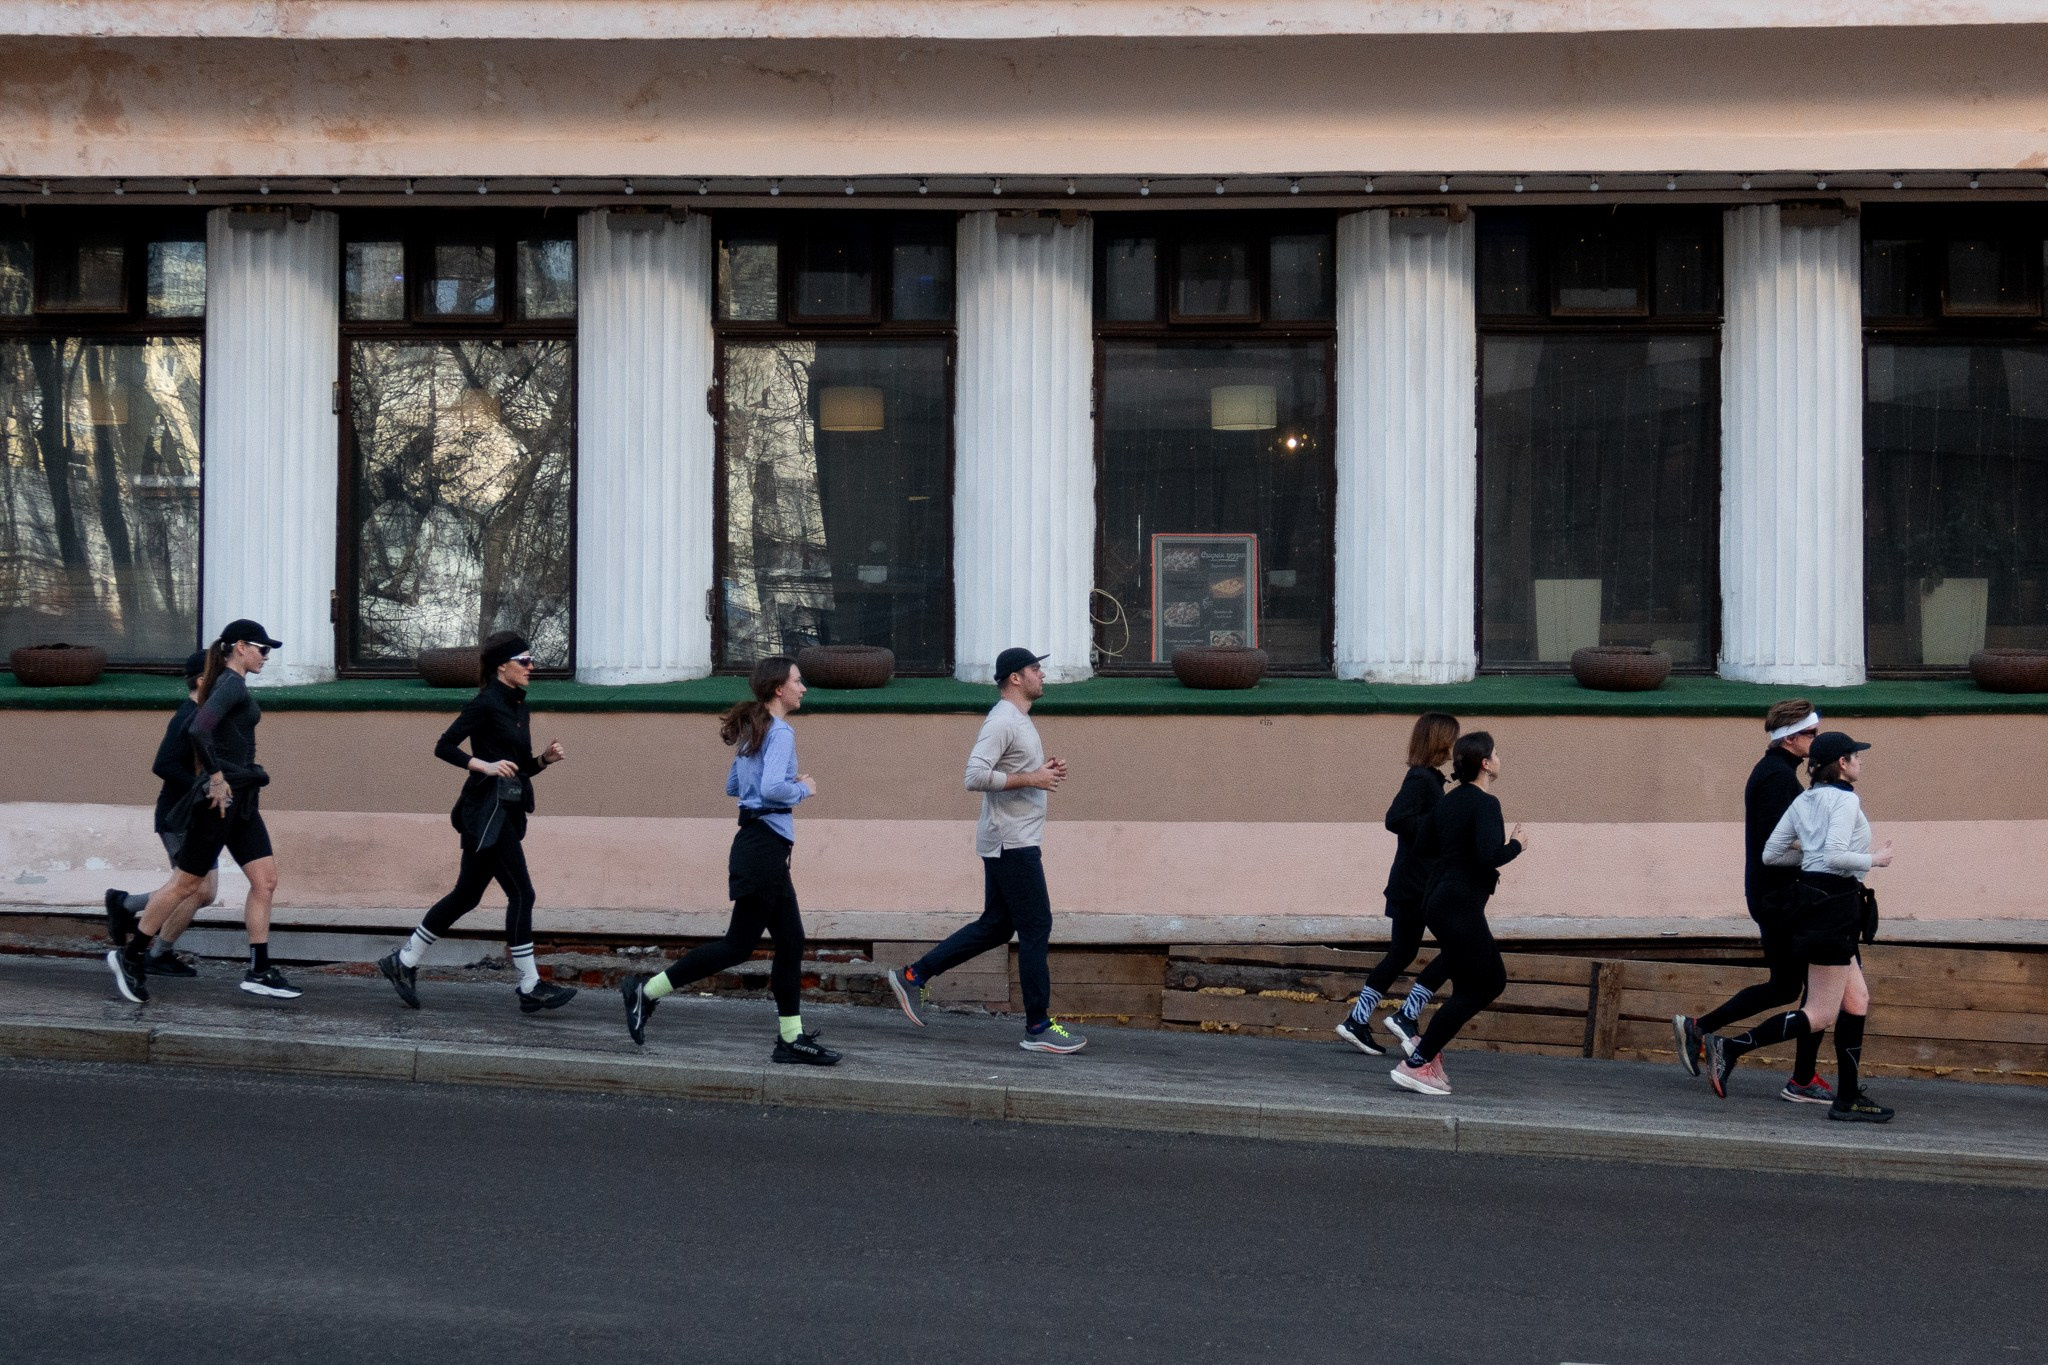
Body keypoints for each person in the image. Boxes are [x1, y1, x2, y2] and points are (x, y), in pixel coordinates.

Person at [620, 656, 839, 1065]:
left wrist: (775, 784)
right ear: (779, 689)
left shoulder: (756, 729)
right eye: (797, 681)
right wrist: (803, 788)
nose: (803, 687)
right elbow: (771, 787)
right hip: (764, 848)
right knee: (740, 945)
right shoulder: (781, 732)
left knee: (790, 941)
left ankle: (790, 1038)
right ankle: (645, 991)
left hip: (759, 846)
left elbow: (734, 785)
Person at [883, 647, 1085, 1054]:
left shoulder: (1019, 720)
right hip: (1012, 842)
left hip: (1011, 839)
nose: (1041, 675)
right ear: (1014, 677)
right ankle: (1037, 1027)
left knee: (996, 925)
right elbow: (973, 776)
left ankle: (912, 977)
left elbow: (1012, 773)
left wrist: (1041, 772)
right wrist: (1032, 777)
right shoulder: (1002, 720)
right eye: (1034, 669)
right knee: (1036, 927)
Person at [1700, 732, 1896, 1122]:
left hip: (1816, 903)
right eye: (1856, 756)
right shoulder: (1844, 800)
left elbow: (1772, 855)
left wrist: (1810, 860)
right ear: (1842, 763)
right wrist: (1876, 858)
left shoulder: (1804, 800)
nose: (1860, 761)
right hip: (1834, 908)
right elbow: (1838, 855)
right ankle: (1731, 1048)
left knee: (1856, 1002)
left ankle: (1848, 1096)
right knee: (1821, 1013)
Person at [376, 632, 576, 1015]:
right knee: (522, 894)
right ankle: (530, 985)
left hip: (505, 813)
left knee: (466, 896)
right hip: (485, 815)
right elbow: (444, 745)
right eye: (525, 661)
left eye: (532, 661)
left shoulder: (518, 706)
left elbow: (517, 769)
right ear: (503, 665)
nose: (532, 667)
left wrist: (544, 760)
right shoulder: (486, 702)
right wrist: (483, 765)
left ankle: (403, 961)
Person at [106, 619, 297, 1003]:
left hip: (241, 802)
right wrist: (216, 777)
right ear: (240, 646)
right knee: (187, 885)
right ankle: (130, 956)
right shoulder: (229, 683)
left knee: (266, 881)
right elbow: (199, 729)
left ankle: (259, 969)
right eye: (263, 649)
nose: (266, 657)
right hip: (218, 805)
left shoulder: (231, 684)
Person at [1672, 700, 1831, 1103]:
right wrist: (1828, 851)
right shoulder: (1777, 779)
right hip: (1781, 898)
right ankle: (1801, 1078)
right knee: (1816, 991)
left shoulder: (1776, 773)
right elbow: (1776, 844)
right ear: (1791, 738)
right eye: (1811, 734)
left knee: (1788, 987)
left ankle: (1701, 1027)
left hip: (1775, 895)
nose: (1816, 739)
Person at [1389, 731, 1526, 1096]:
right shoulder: (1486, 803)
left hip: (1437, 900)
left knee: (1468, 984)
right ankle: (1418, 1061)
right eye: (1496, 753)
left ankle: (1425, 1056)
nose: (1499, 759)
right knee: (1490, 981)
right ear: (1485, 764)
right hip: (1459, 905)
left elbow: (1422, 845)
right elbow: (1487, 856)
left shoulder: (1447, 802)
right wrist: (1516, 845)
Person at [1336, 713, 1459, 1058]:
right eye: (1453, 738)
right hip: (1415, 886)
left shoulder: (1431, 779)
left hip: (1416, 883)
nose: (1456, 745)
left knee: (1402, 953)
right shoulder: (1420, 779)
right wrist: (1436, 825)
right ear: (1440, 741)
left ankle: (1359, 1020)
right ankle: (1405, 1015)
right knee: (1458, 949)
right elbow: (1396, 819)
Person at [102, 649, 219, 978]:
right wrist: (205, 786)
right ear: (202, 681)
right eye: (220, 677)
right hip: (178, 818)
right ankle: (155, 950)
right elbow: (163, 765)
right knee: (192, 888)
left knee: (202, 891)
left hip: (197, 817)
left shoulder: (206, 717)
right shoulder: (187, 718)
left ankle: (127, 907)